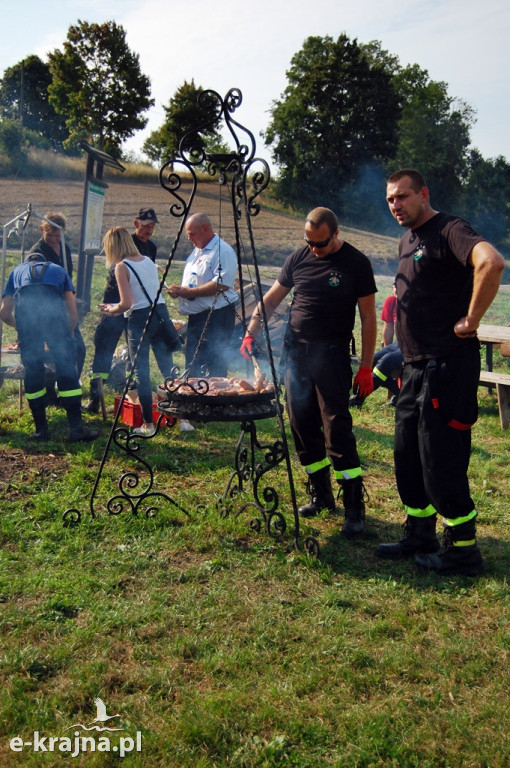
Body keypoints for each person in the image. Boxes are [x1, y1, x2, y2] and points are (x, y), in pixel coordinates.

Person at [376, 168, 504, 575]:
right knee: (408, 456)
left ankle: (463, 550)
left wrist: (471, 319)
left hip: (447, 366)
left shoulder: (451, 229)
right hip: (413, 368)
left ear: (423, 194)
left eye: (402, 197)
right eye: (390, 199)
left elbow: (492, 262)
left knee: (440, 458)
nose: (396, 205)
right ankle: (420, 532)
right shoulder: (406, 239)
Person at [240, 207, 377, 537]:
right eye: (309, 242)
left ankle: (354, 508)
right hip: (296, 356)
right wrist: (251, 330)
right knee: (301, 425)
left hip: (331, 358)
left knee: (337, 430)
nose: (314, 249)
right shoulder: (298, 258)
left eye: (321, 243)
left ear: (335, 233)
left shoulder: (356, 263)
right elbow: (271, 299)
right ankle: (321, 495)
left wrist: (367, 368)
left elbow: (369, 318)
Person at [0, 253, 98, 442]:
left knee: (33, 372)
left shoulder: (16, 272)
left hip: (29, 327)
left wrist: (22, 327)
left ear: (27, 262)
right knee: (67, 371)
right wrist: (67, 334)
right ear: (45, 261)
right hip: (57, 325)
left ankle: (41, 431)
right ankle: (76, 429)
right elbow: (71, 311)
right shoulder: (59, 270)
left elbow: (4, 313)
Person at [99, 227, 181, 437]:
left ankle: (148, 424)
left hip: (139, 320)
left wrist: (110, 310)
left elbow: (126, 304)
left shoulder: (121, 267)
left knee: (141, 373)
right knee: (168, 369)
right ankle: (184, 418)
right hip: (160, 315)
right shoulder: (147, 261)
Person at [84, 208, 158, 414]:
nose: (149, 230)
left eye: (152, 227)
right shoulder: (125, 244)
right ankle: (95, 399)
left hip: (134, 310)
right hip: (115, 306)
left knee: (135, 355)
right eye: (146, 226)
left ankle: (132, 396)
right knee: (103, 349)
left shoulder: (150, 249)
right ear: (136, 224)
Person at [167, 212, 238, 378]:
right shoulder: (197, 251)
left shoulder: (222, 251)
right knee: (193, 363)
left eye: (192, 234)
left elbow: (221, 283)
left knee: (212, 363)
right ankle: (194, 398)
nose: (189, 238)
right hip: (197, 317)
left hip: (216, 317)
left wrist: (189, 292)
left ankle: (214, 399)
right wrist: (181, 291)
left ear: (205, 229)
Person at [29, 212, 86, 387]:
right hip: (47, 310)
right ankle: (52, 391)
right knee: (54, 352)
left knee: (79, 349)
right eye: (50, 235)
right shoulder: (37, 253)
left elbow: (67, 277)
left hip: (66, 308)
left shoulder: (65, 248)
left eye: (57, 235)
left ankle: (71, 384)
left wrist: (71, 298)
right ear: (41, 230)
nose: (54, 239)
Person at [349, 283, 403, 408]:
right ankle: (402, 394)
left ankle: (358, 398)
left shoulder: (416, 301)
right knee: (373, 361)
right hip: (399, 344)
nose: (398, 289)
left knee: (386, 362)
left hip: (417, 347)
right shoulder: (392, 302)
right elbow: (388, 328)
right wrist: (388, 350)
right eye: (396, 286)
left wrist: (390, 358)